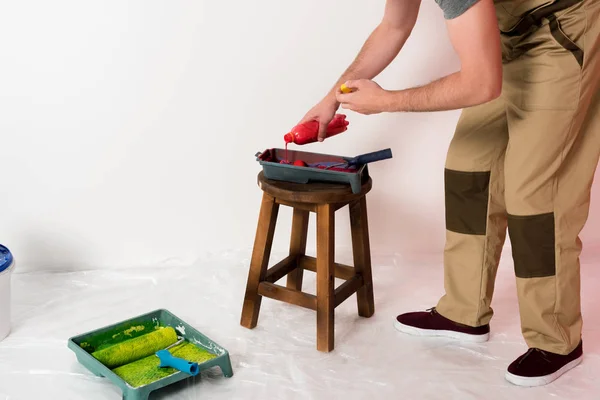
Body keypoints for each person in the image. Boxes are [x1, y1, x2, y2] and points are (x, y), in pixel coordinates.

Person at [300, 0, 600, 387]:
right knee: (469, 170)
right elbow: (394, 25)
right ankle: (463, 312)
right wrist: (331, 99)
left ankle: (557, 340)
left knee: (537, 198)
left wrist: (387, 102)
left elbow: (481, 84)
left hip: (563, 32)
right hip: (507, 37)